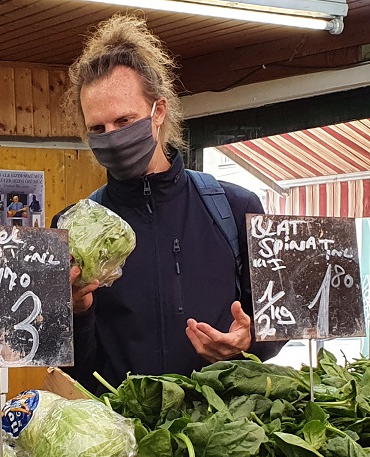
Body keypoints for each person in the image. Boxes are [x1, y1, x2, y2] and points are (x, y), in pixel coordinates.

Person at [59, 15, 284, 390]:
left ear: (158, 112)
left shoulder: (236, 207)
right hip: (123, 435)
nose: (111, 137)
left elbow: (276, 323)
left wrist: (250, 342)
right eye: (97, 129)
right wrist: (76, 313)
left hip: (218, 431)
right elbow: (73, 370)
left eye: (124, 120)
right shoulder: (72, 230)